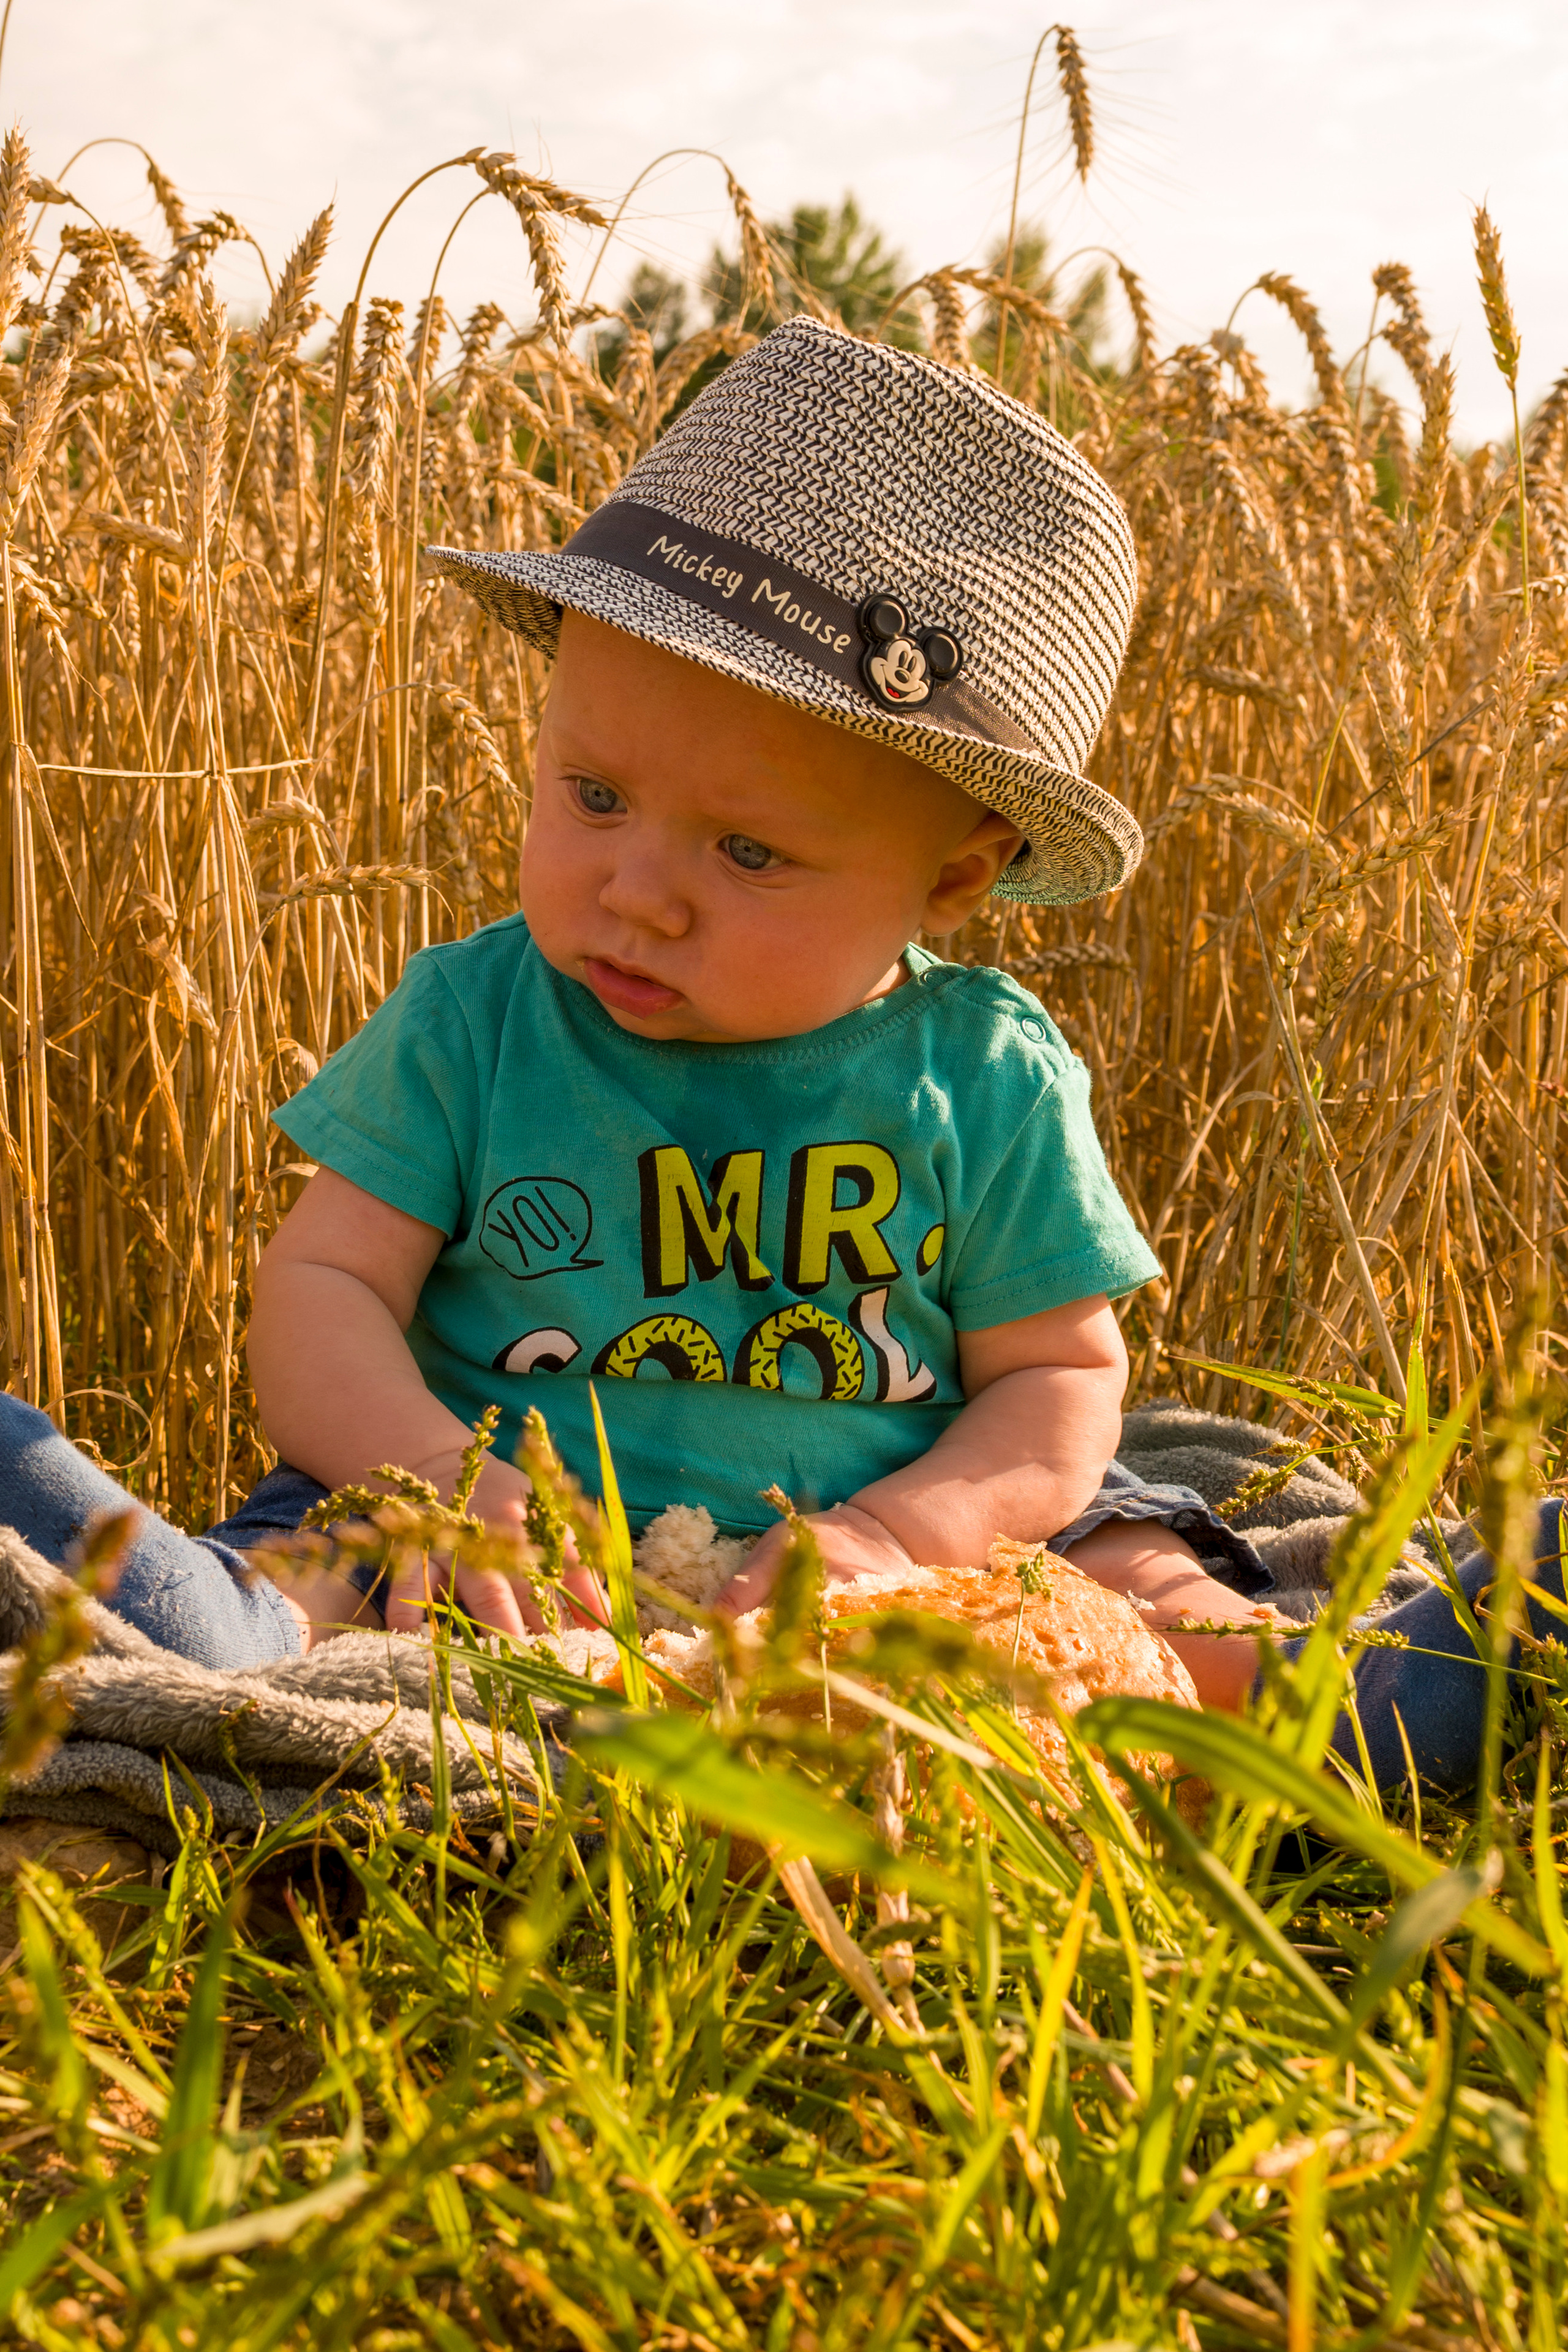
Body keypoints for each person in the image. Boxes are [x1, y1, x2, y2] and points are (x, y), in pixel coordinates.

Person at [0, 317, 1556, 1791]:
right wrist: (429, 1475)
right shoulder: (475, 1018)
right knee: (239, 1644)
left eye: (746, 851)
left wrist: (897, 1536)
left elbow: (1056, 1380)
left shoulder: (980, 1077)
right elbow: (325, 1287)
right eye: (592, 797)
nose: (636, 891)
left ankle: (1418, 1671)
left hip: (884, 1545)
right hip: (480, 1532)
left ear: (954, 877)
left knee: (1154, 1614)